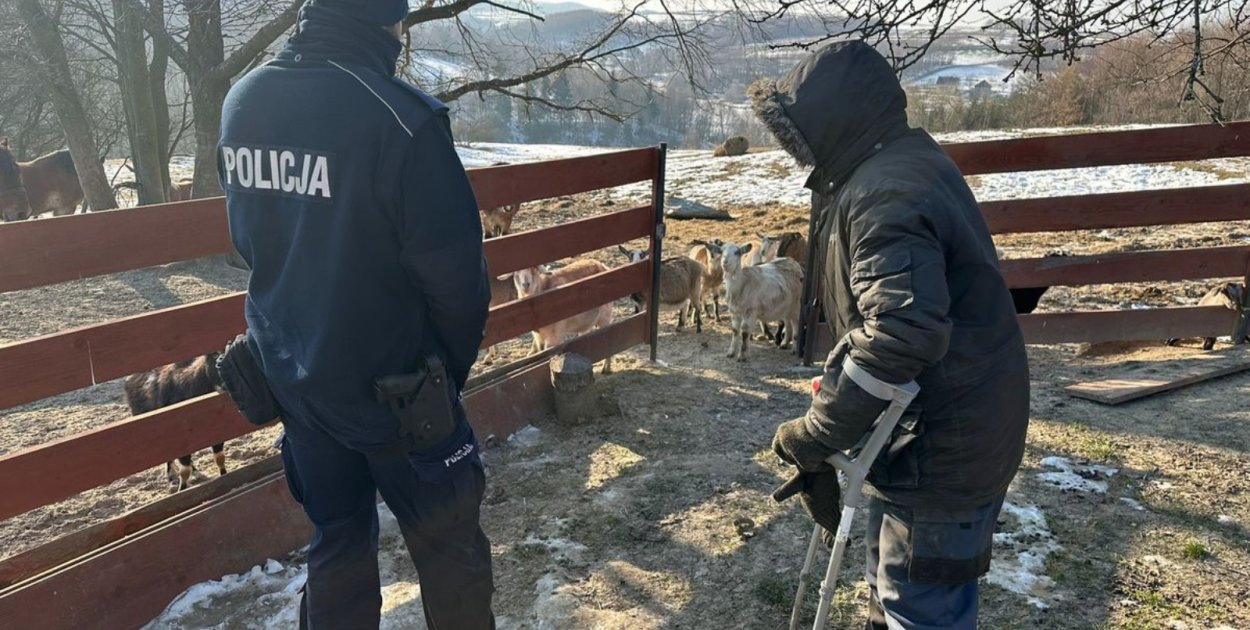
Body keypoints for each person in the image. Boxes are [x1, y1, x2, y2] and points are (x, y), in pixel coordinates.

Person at [218, 0, 494, 627]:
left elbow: (249, 245)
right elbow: (458, 283)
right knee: (451, 554)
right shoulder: (400, 119)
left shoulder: (243, 101)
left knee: (337, 548)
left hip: (297, 385)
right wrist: (443, 377)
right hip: (400, 399)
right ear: (385, 22)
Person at [754, 41, 1030, 629]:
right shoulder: (896, 164)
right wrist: (841, 392)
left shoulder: (886, 193)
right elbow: (894, 318)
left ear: (829, 122)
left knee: (921, 602)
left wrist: (818, 432)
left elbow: (902, 331)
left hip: (942, 443)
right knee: (897, 585)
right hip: (939, 426)